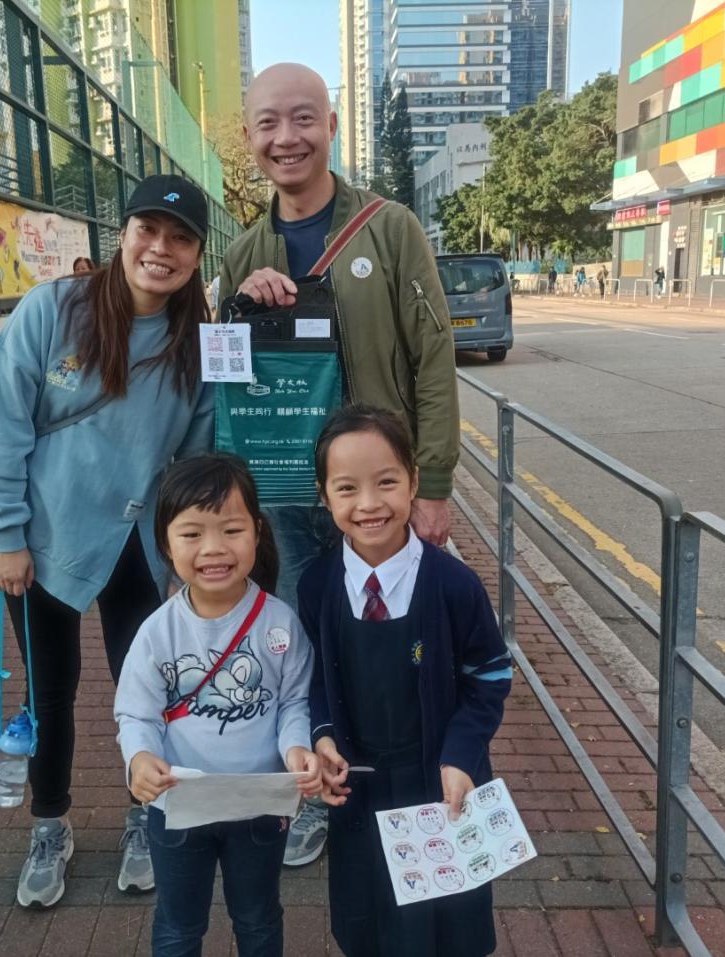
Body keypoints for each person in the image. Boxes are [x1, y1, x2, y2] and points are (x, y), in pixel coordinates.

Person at [218, 61, 460, 868]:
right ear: (249, 136)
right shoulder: (243, 250)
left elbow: (433, 358)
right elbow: (229, 378)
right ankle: (317, 788)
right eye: (268, 123)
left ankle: (411, 786)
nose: (286, 138)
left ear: (330, 125)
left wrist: (432, 482)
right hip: (288, 492)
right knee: (304, 641)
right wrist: (239, 308)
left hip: (379, 495)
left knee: (395, 641)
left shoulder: (390, 229)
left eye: (303, 118)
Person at [0, 173, 215, 908]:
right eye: (148, 230)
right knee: (51, 691)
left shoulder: (195, 341)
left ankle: (145, 815)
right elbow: (4, 427)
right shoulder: (53, 309)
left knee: (147, 693)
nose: (161, 249)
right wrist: (5, 535)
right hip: (42, 543)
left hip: (137, 546)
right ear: (123, 234)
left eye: (181, 239)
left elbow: (196, 457)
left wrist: (188, 552)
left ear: (198, 254)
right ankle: (50, 824)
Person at [299, 404, 511, 957]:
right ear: (325, 496)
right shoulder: (317, 585)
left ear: (414, 482)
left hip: (439, 783)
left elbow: (489, 677)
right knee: (368, 918)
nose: (369, 504)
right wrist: (322, 735)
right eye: (347, 488)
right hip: (360, 786)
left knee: (447, 925)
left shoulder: (454, 585)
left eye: (387, 482)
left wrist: (461, 756)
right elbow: (313, 677)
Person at [114, 453, 321, 956]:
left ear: (257, 532)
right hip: (179, 803)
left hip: (259, 803)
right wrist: (139, 759)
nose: (213, 548)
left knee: (258, 918)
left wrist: (297, 748)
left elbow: (294, 701)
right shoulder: (157, 631)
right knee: (179, 925)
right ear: (166, 543)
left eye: (231, 530)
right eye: (192, 534)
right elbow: (136, 713)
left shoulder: (280, 622)